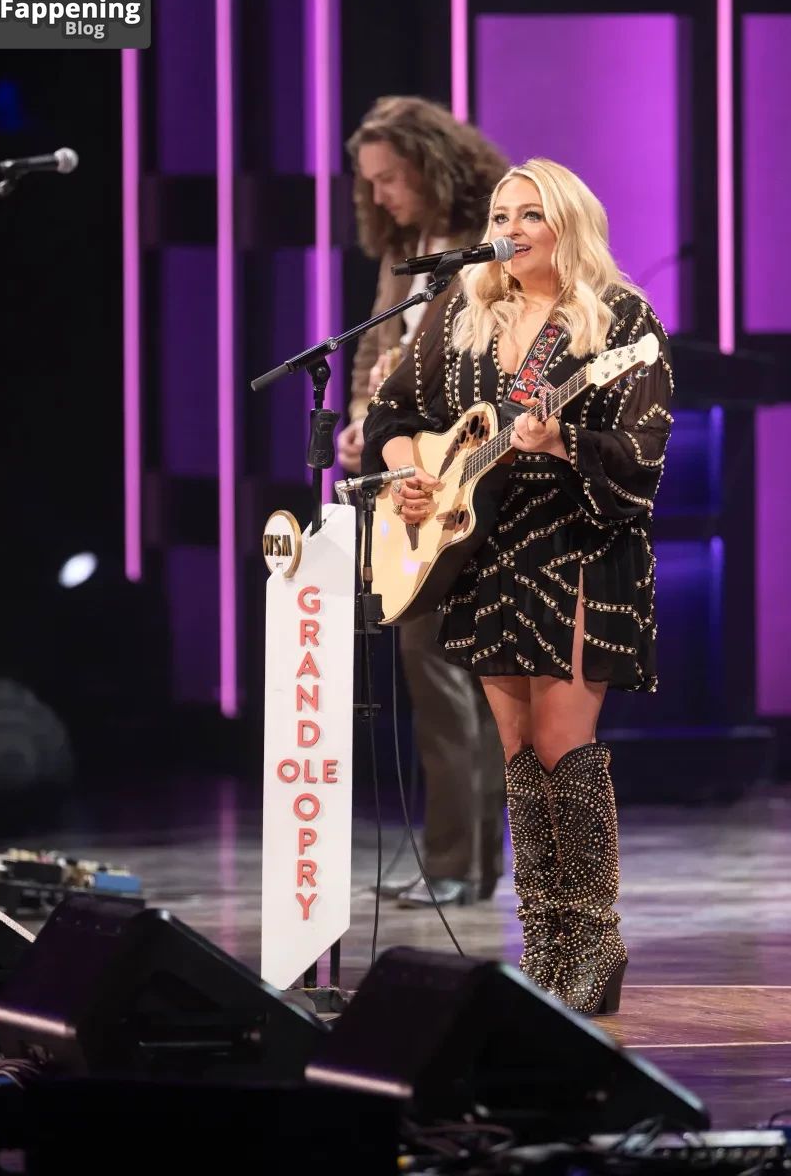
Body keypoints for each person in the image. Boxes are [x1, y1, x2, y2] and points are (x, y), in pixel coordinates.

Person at [362, 157, 673, 1014]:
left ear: (568, 223)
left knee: (563, 745)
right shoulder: (462, 312)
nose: (511, 229)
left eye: (530, 214)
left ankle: (594, 941)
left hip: (577, 545)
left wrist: (561, 443)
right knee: (517, 758)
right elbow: (392, 412)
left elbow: (643, 455)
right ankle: (545, 943)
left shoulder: (619, 319)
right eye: (502, 216)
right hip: (487, 549)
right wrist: (414, 473)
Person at [339, 96, 510, 908]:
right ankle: (464, 864)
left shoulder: (493, 240)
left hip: (467, 474)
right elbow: (377, 349)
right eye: (369, 182)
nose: (379, 196)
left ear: (432, 164)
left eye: (391, 178)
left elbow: (500, 361)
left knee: (448, 669)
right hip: (407, 475)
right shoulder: (405, 248)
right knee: (438, 669)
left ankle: (458, 863)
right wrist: (359, 425)